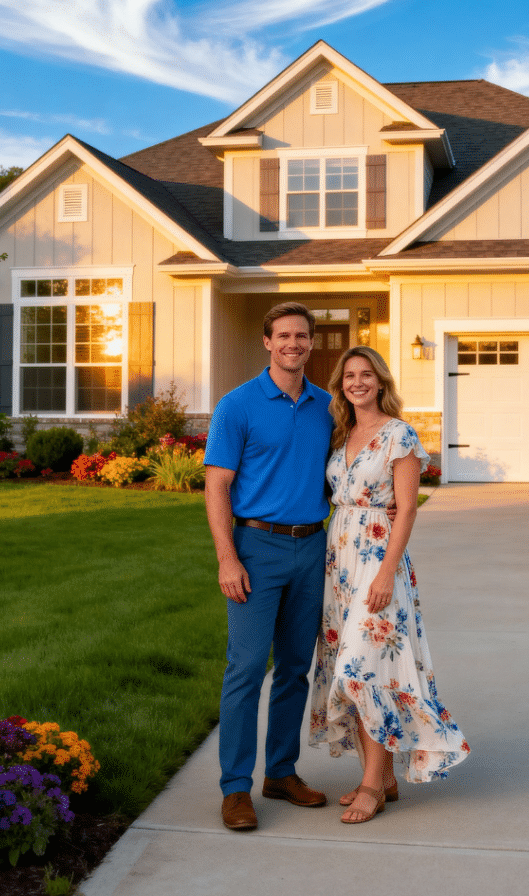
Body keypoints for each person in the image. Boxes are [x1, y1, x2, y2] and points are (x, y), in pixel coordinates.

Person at [309, 346, 470, 824]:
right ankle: (383, 778)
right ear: (341, 384)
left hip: (378, 562)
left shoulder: (399, 434)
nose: (357, 382)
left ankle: (371, 787)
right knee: (352, 669)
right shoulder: (341, 434)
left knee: (364, 671)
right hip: (339, 562)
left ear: (381, 382)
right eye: (349, 375)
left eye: (366, 374)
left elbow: (409, 508)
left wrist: (385, 572)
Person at [204, 302, 335, 831]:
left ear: (311, 342)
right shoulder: (237, 405)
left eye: (301, 336)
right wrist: (227, 558)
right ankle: (235, 787)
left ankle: (280, 772)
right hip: (256, 548)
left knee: (295, 668)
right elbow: (217, 485)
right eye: (283, 336)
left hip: (313, 547)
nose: (293, 344)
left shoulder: (327, 406)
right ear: (267, 342)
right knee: (246, 668)